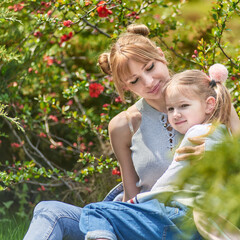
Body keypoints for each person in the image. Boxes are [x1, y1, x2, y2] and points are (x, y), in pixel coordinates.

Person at [23, 24, 240, 240]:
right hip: (141, 221)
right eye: (134, 80)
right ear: (125, 87)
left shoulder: (209, 99)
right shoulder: (123, 125)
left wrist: (217, 156)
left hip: (197, 223)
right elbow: (131, 196)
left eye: (150, 67)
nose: (149, 82)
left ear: (161, 56)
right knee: (50, 211)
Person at [79, 65, 239, 240]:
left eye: (184, 106)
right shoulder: (222, 133)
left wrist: (139, 202)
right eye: (171, 109)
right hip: (203, 221)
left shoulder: (198, 134)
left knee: (95, 212)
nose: (176, 115)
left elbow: (170, 181)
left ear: (209, 105)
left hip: (182, 215)